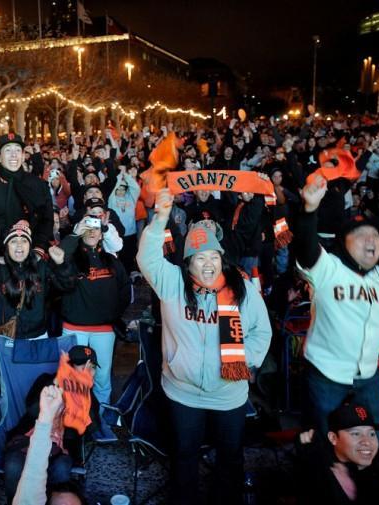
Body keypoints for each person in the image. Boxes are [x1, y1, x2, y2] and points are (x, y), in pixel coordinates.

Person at [137, 188, 272, 505]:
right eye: (200, 258)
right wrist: (160, 218)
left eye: (214, 257)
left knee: (230, 458)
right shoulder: (171, 283)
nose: (209, 264)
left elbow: (261, 332)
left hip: (229, 394)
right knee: (184, 457)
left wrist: (240, 358)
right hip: (183, 393)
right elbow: (147, 257)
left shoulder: (242, 289)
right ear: (187, 263)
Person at [294, 175, 379, 443]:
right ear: (343, 243)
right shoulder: (329, 269)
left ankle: (377, 482)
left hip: (368, 374)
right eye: (361, 235)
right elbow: (306, 247)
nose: (370, 241)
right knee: (324, 439)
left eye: (374, 235)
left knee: (374, 436)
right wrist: (309, 210)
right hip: (326, 373)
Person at [59, 216, 131, 442]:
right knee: (72, 377)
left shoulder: (111, 261)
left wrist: (112, 316)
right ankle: (73, 422)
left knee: (101, 378)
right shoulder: (70, 258)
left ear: (102, 234)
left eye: (96, 229)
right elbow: (57, 268)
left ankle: (101, 422)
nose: (92, 232)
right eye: (87, 228)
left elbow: (124, 290)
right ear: (80, 231)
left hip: (103, 329)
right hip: (74, 327)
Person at [296, 397, 379, 504]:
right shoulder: (318, 468)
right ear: (333, 438)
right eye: (356, 433)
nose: (367, 441)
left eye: (372, 434)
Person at [0, 220, 74, 340]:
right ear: (7, 246)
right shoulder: (0, 267)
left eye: (24, 241)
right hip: (6, 336)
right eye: (14, 241)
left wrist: (61, 264)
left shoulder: (41, 266)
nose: (19, 245)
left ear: (30, 246)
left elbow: (67, 285)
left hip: (37, 336)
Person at [0, 133, 53, 255]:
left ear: (23, 156)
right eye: (8, 150)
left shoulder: (38, 185)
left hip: (30, 257)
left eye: (18, 150)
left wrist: (38, 249)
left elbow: (47, 220)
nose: (13, 155)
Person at [11, 385, 87, 505]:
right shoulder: (33, 417)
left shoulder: (71, 424)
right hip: (26, 452)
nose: (59, 407)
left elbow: (75, 449)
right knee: (13, 464)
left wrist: (63, 448)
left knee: (62, 465)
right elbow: (15, 437)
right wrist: (44, 419)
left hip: (56, 457)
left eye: (63, 405)